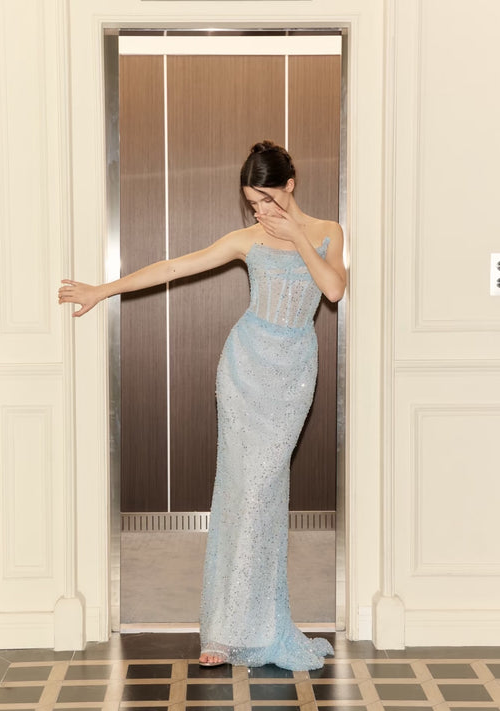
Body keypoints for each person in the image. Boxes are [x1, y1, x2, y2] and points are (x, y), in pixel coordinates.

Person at [59, 140, 346, 670]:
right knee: (239, 491)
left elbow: (332, 290)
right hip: (243, 368)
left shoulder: (328, 231)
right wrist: (102, 290)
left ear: (290, 184)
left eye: (268, 200)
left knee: (264, 491)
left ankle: (259, 625)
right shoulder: (246, 239)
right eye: (252, 203)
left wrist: (297, 236)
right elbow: (175, 266)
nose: (260, 212)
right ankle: (222, 632)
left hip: (292, 374)